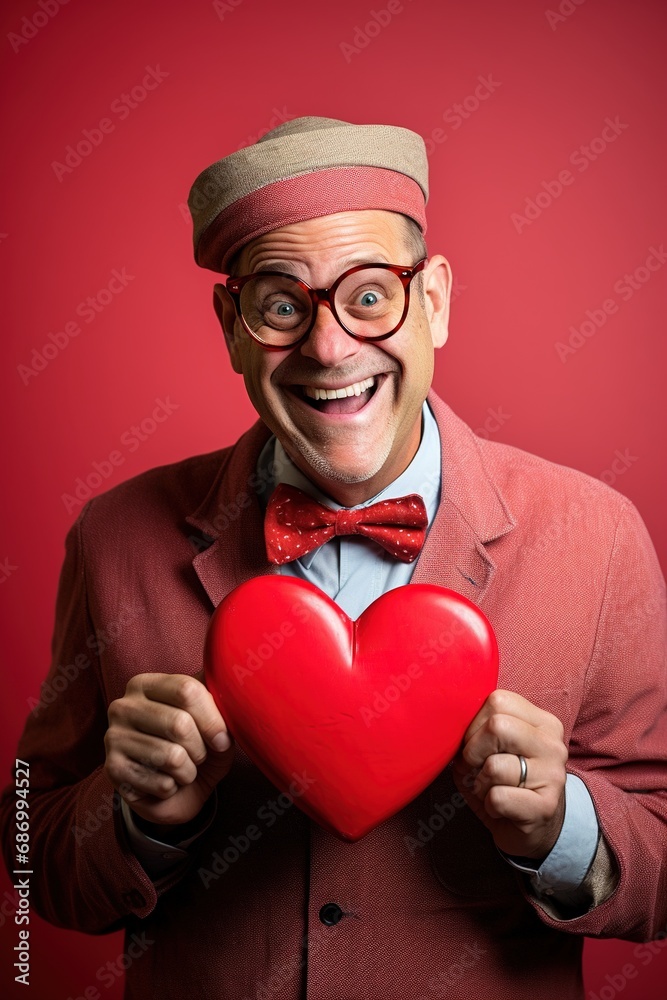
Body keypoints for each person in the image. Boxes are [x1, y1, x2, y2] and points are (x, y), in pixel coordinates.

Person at [1, 116, 666, 1000]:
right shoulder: (113, 535)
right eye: (281, 303)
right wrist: (134, 818)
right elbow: (23, 840)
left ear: (431, 300)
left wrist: (561, 827)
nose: (327, 347)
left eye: (367, 295)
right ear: (232, 326)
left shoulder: (598, 532)